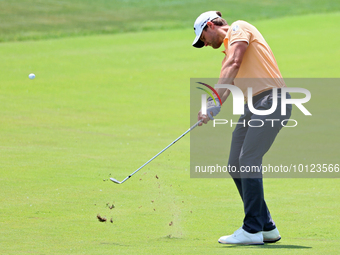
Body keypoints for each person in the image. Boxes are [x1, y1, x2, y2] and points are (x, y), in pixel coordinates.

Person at [192, 11, 292, 245]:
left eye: (202, 38)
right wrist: (211, 106)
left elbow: (235, 63)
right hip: (254, 105)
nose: (204, 44)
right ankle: (266, 227)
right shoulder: (227, 54)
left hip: (273, 100)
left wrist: (214, 100)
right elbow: (227, 82)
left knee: (248, 159)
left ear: (210, 26)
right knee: (236, 163)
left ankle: (251, 229)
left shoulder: (239, 28)